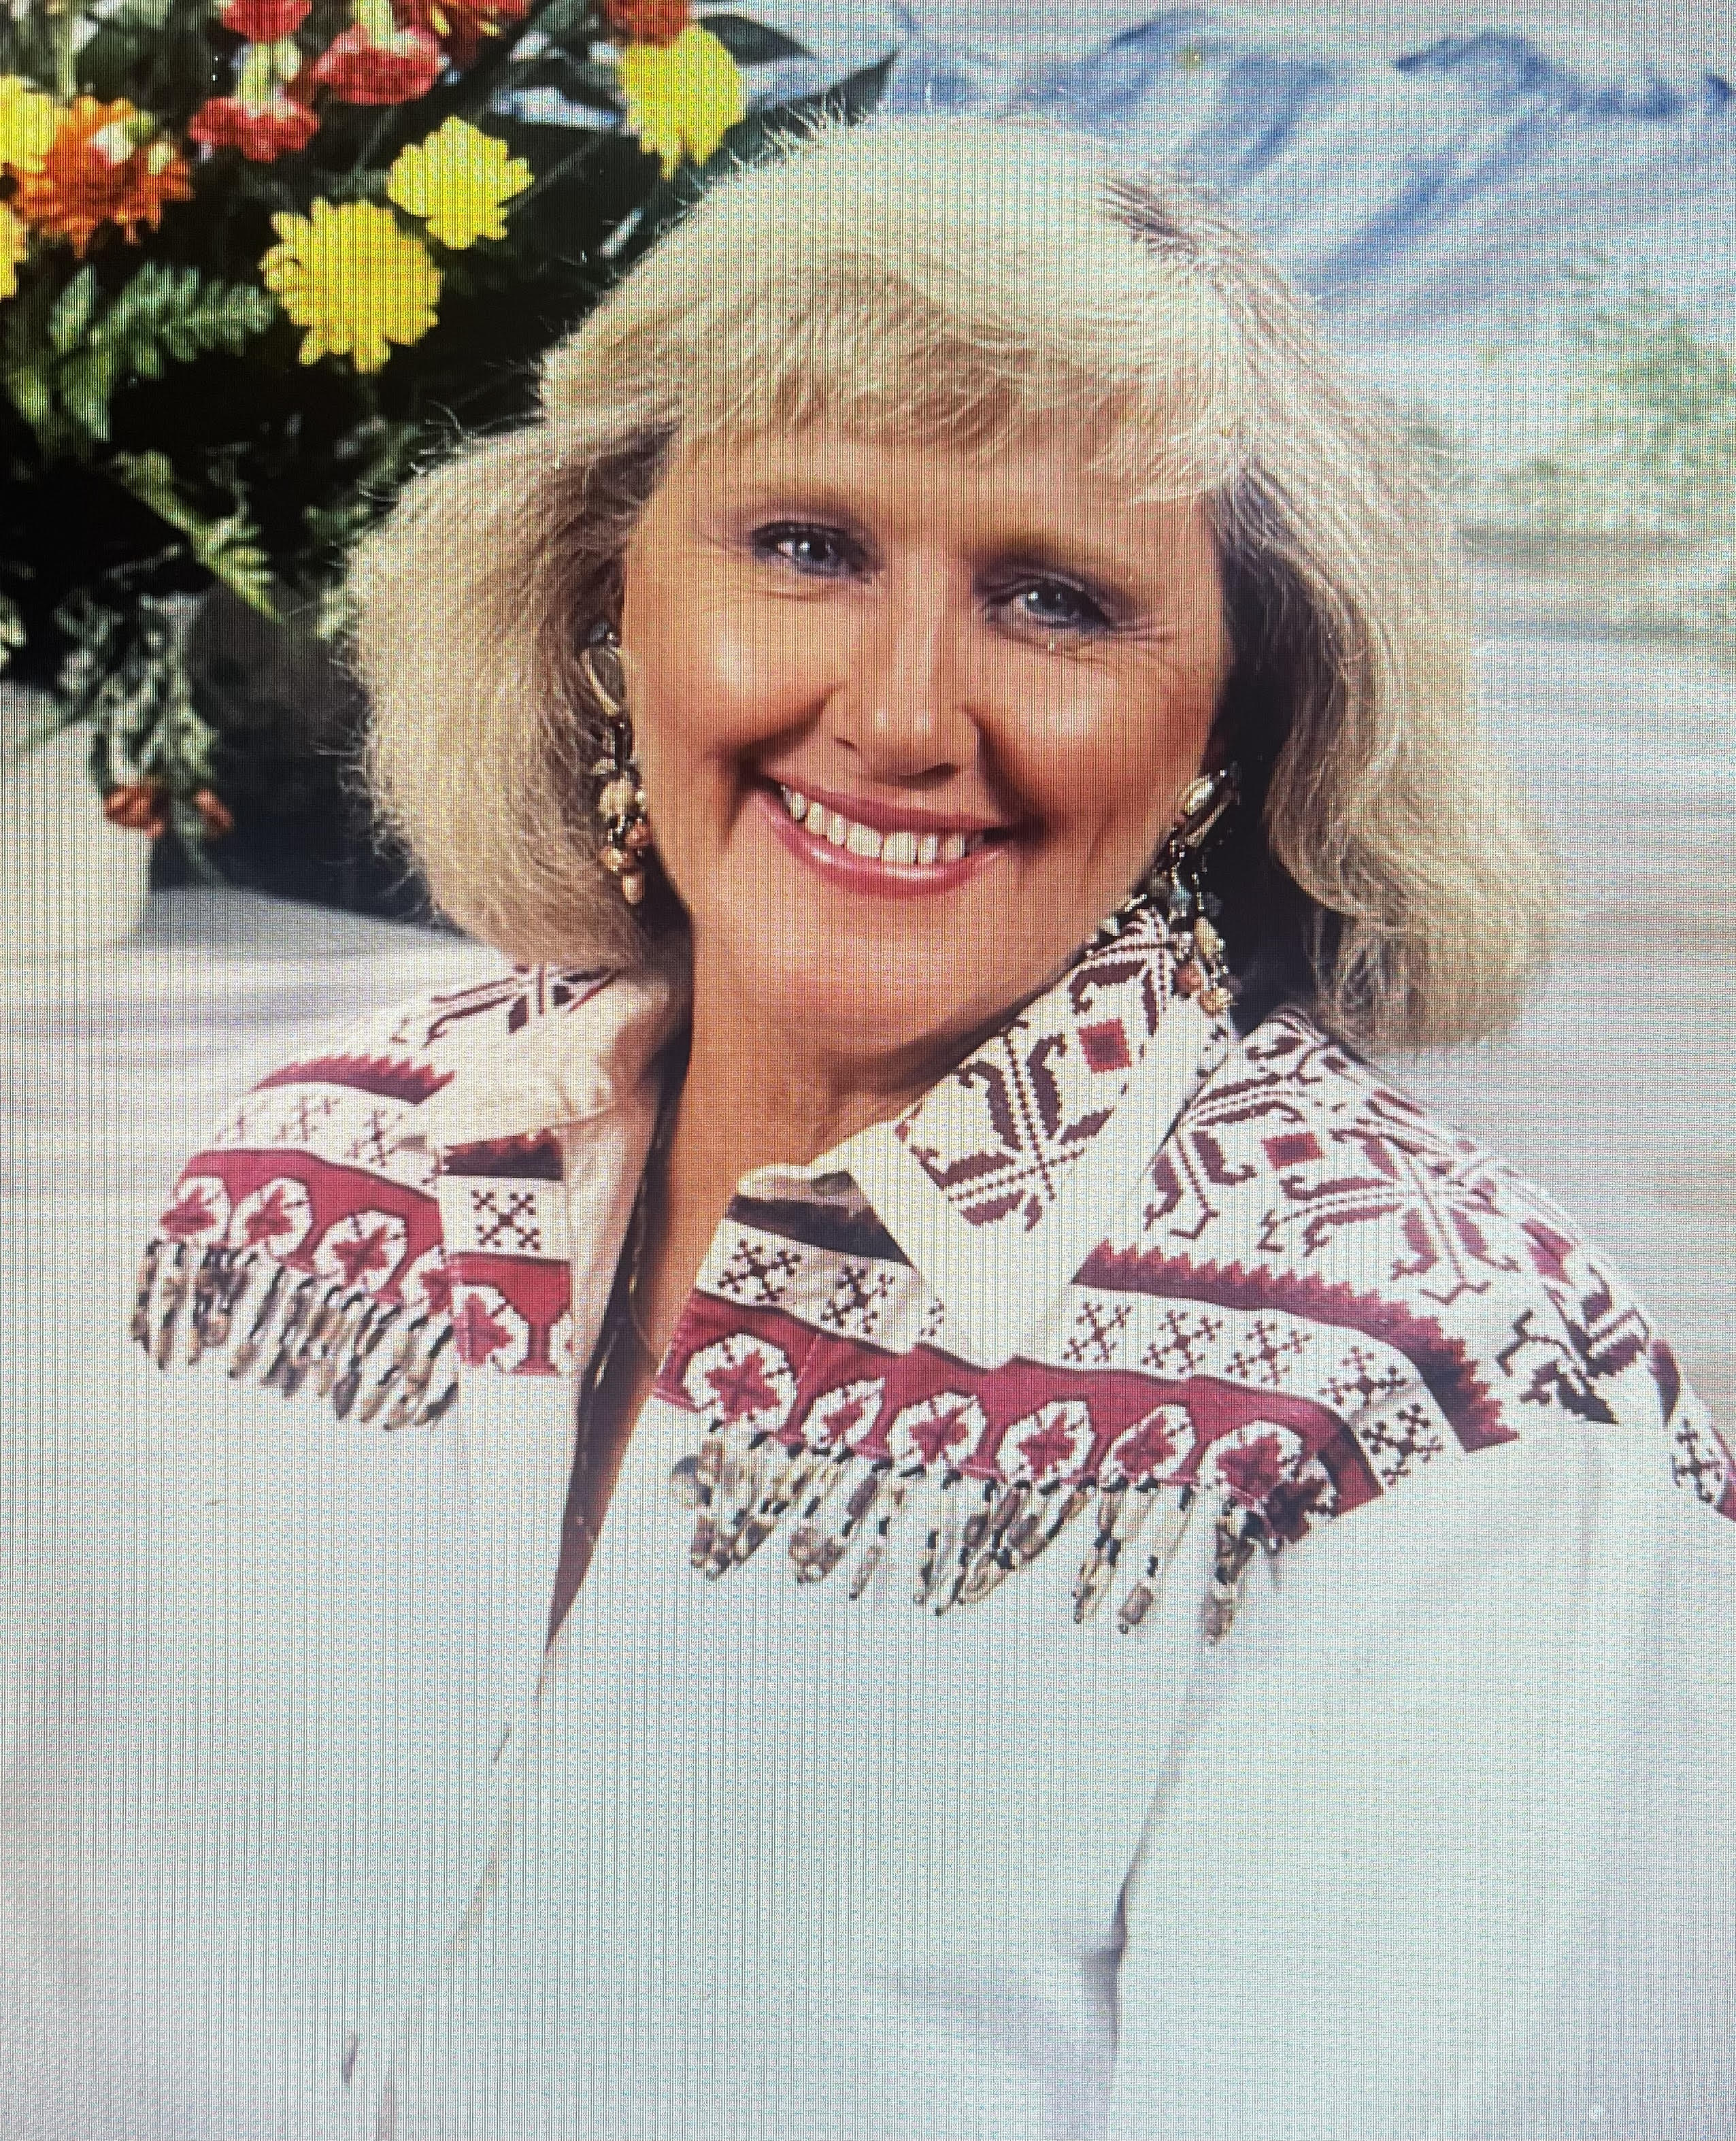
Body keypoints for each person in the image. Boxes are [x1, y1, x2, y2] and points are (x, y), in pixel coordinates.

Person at [10, 114, 1733, 2140]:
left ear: (1236, 722)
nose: (904, 716)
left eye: (1056, 599)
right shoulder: (298, 1178)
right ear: (606, 596)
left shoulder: (1454, 1401)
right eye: (807, 548)